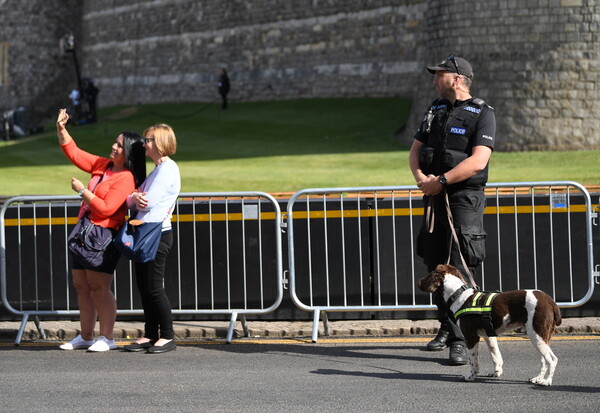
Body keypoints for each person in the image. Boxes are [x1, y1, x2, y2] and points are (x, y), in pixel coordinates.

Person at [408, 55, 496, 365]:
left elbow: (478, 160)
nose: (434, 80)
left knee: (459, 266)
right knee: (434, 262)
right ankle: (446, 326)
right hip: (433, 195)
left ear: (456, 79)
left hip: (464, 198)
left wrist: (442, 181)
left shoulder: (483, 114)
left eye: (439, 75)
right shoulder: (436, 109)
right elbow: (416, 150)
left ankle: (461, 340)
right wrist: (422, 180)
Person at [56, 108, 146, 352]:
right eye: (115, 143)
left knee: (99, 287)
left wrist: (82, 191)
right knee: (81, 285)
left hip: (103, 236)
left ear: (127, 152)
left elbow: (106, 209)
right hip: (85, 232)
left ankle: (106, 337)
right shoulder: (104, 166)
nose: (114, 147)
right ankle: (85, 335)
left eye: (119, 145)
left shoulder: (126, 177)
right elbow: (75, 153)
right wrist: (62, 129)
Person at [123, 123, 181, 354]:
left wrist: (136, 198)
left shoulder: (168, 169)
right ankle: (150, 334)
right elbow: (133, 200)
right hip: (146, 232)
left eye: (148, 140)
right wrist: (135, 197)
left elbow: (149, 201)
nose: (144, 144)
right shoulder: (158, 169)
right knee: (144, 286)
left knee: (154, 287)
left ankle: (167, 336)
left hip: (157, 233)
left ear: (160, 143)